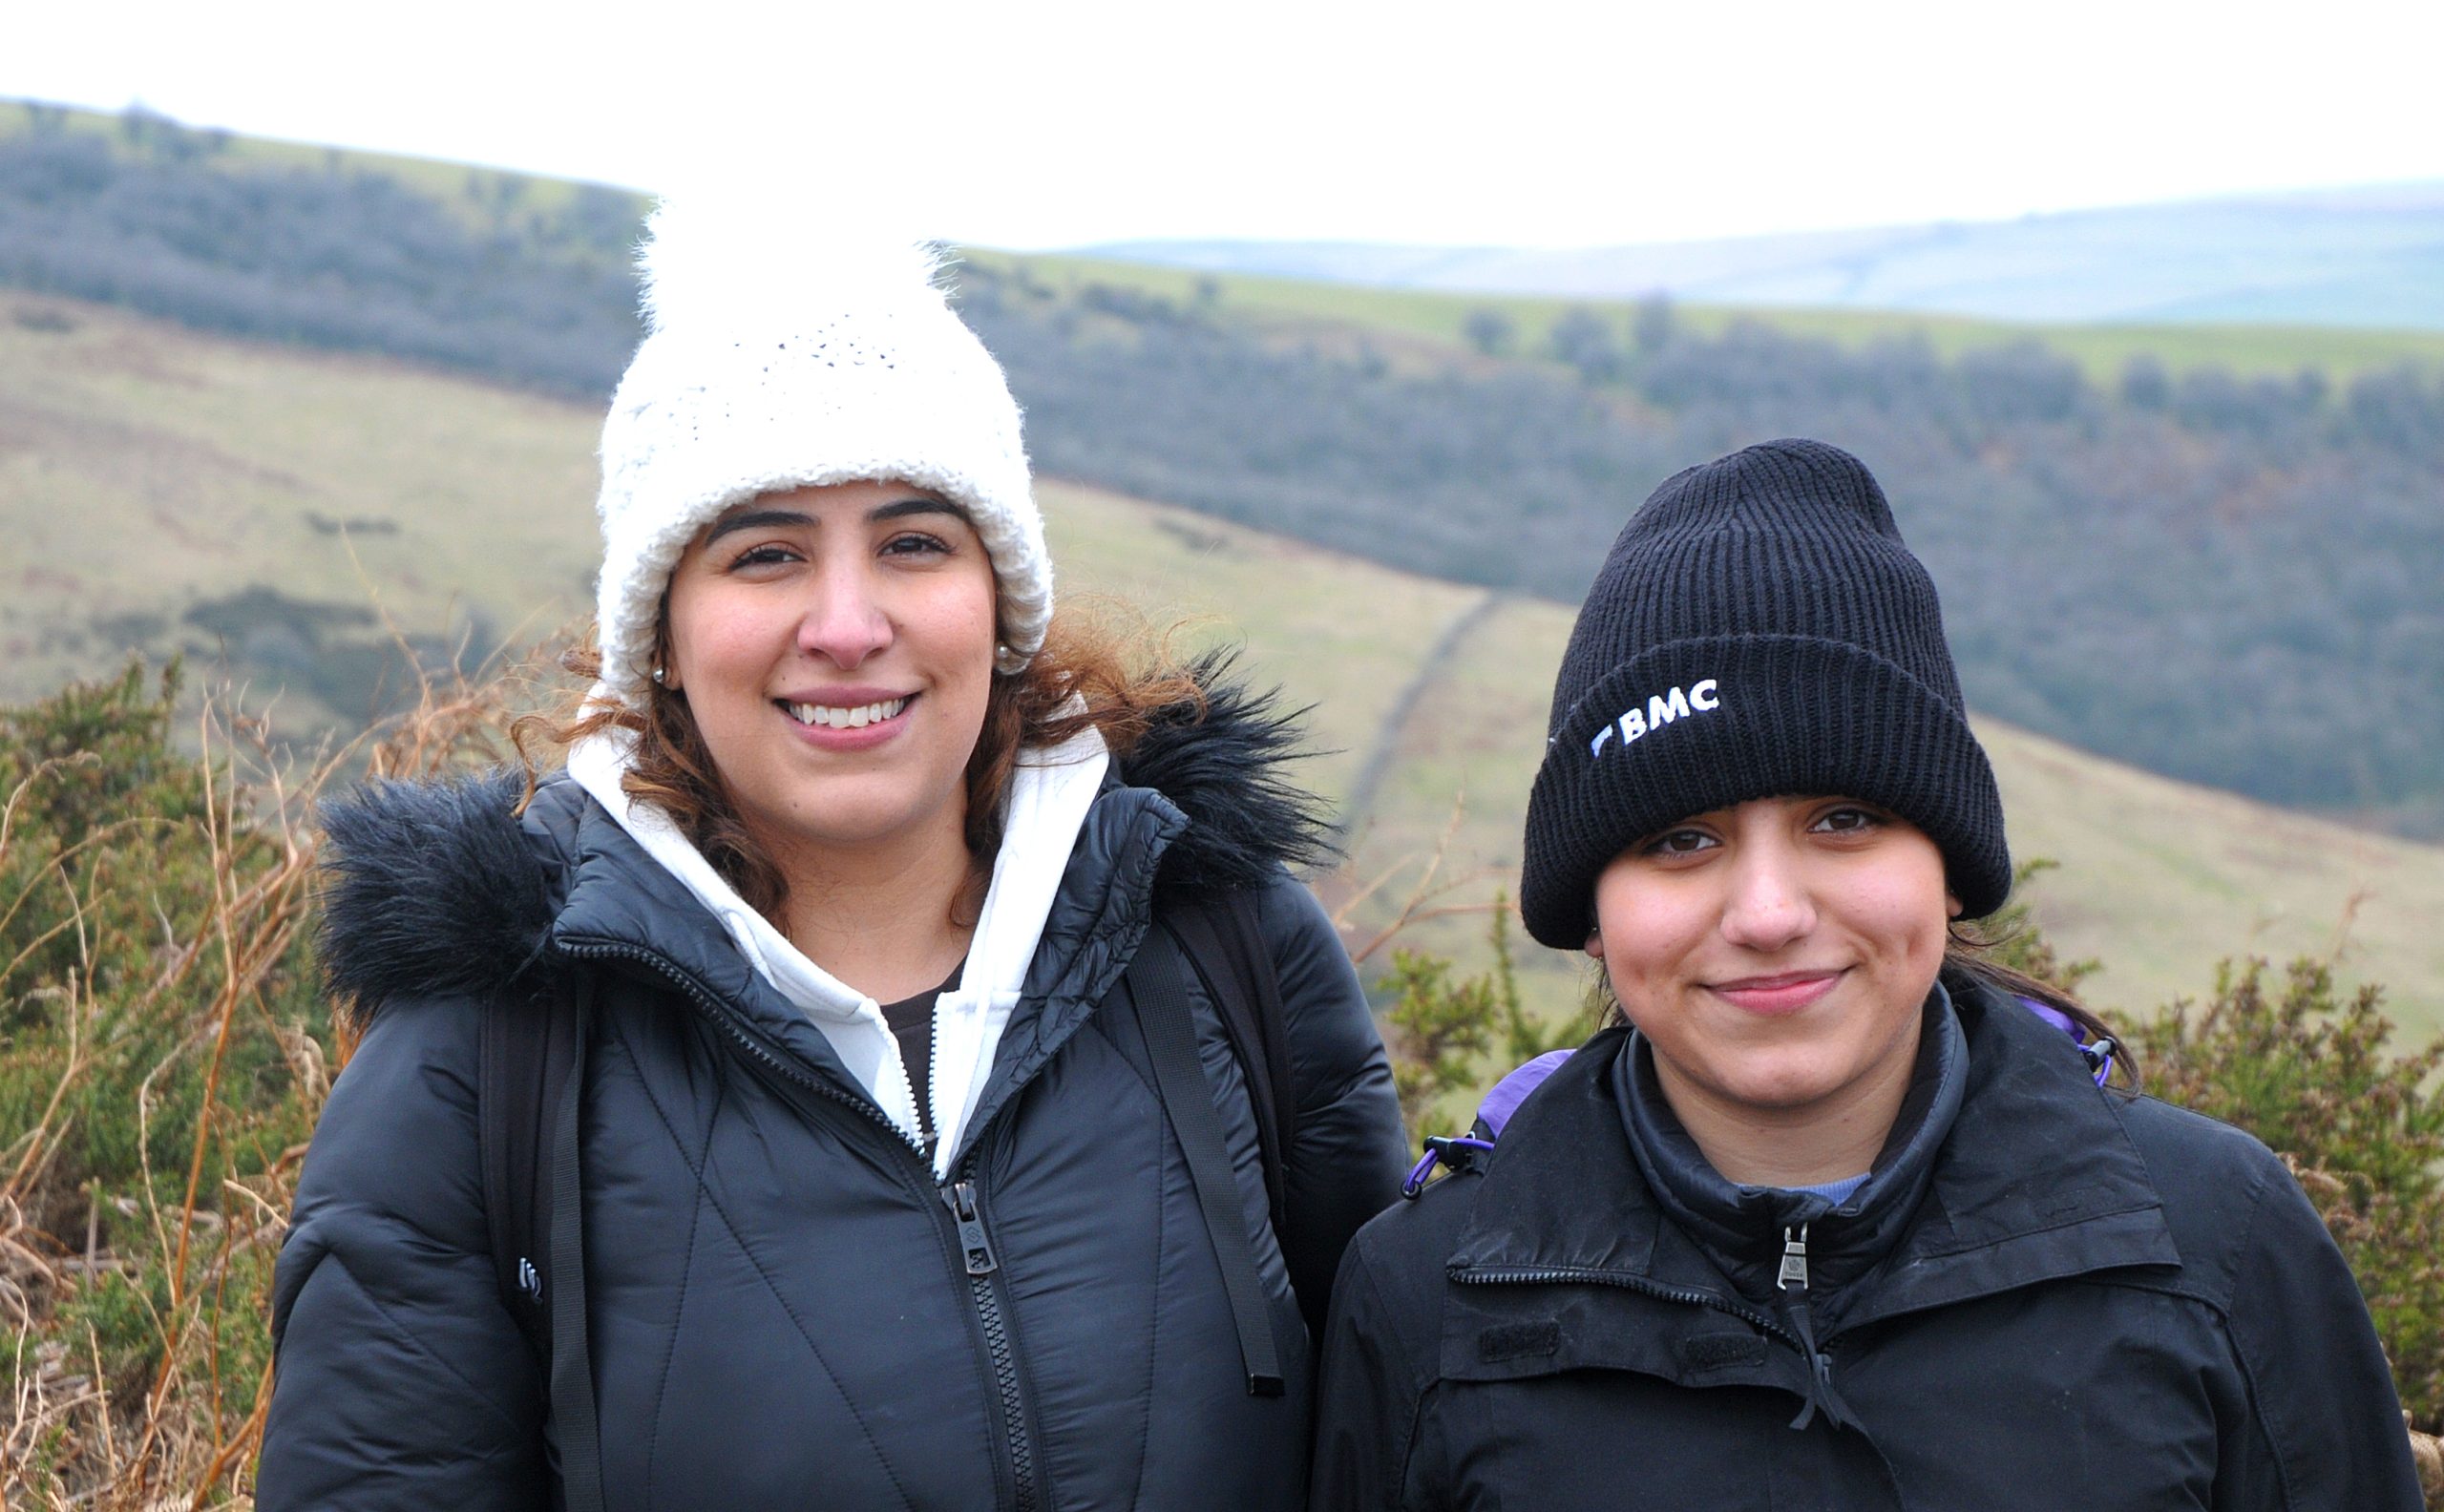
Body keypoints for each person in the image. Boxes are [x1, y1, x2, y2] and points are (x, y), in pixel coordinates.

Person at [256, 206, 1408, 1510]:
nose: (849, 626)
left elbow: (1399, 1432)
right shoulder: (487, 1058)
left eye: (915, 541)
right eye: (766, 554)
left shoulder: (1223, 947)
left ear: (998, 599)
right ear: (664, 636)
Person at [1309, 438, 2423, 1509]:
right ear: (1591, 914)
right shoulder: (1426, 1299)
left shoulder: (2214, 1243)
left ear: (1948, 870)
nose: (1769, 913)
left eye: (1844, 819)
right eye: (1679, 840)